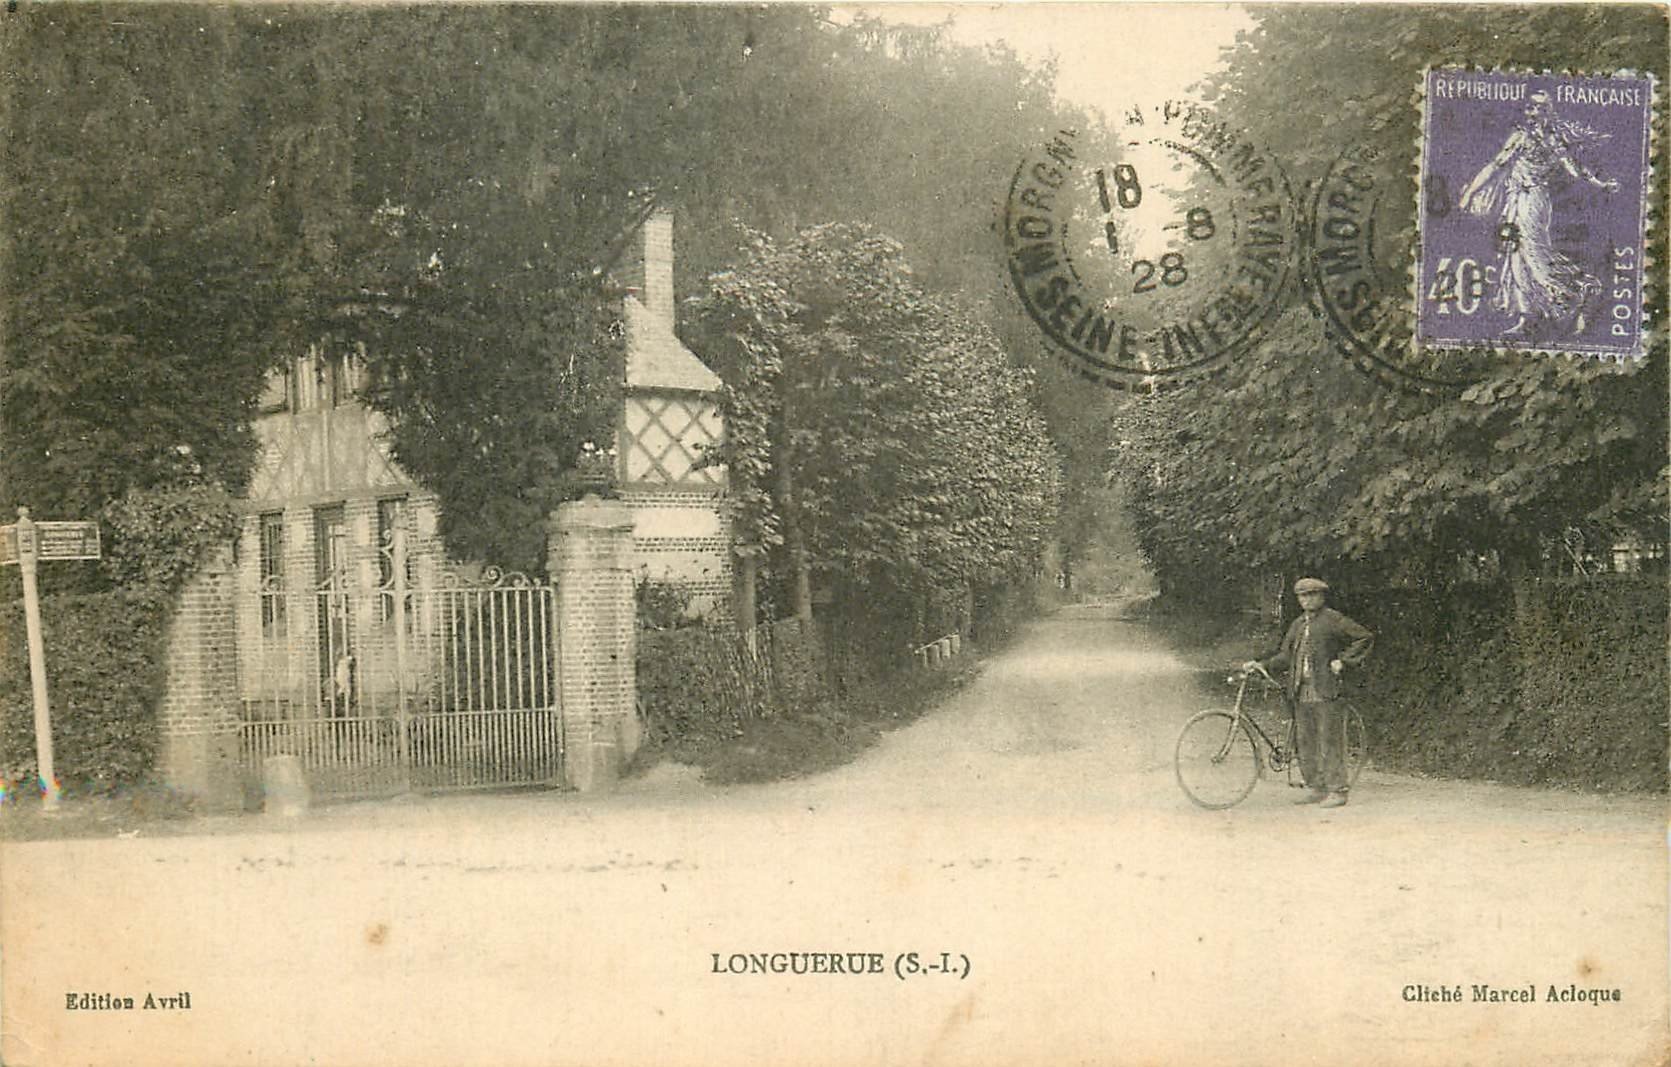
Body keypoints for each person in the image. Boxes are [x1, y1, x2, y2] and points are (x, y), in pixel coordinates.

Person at [1456, 89, 1618, 337]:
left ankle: (1580, 288)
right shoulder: (1528, 137)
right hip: (1518, 199)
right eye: (1529, 108)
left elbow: (1573, 169)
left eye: (1537, 109)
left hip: (1532, 202)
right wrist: (1470, 193)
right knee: (1516, 257)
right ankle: (1527, 317)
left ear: (1546, 113)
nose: (1530, 113)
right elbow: (1497, 165)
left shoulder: (1542, 140)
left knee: (1534, 255)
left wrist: (1601, 184)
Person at [1242, 578, 1373, 809]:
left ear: (1322, 597)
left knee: (1330, 740)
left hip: (1327, 689)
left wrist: (1343, 661)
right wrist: (1261, 664)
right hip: (1301, 691)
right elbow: (1285, 656)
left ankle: (1338, 791)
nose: (1307, 599)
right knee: (1305, 741)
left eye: (1312, 595)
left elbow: (1363, 637)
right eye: (1303, 596)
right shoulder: (1298, 624)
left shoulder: (1333, 619)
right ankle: (1315, 787)